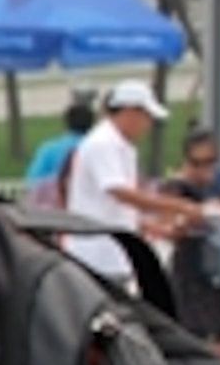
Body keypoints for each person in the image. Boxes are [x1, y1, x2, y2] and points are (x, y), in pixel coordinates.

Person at [64, 79, 185, 286]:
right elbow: (119, 192)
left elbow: (114, 207)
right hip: (97, 255)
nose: (147, 125)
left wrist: (150, 226)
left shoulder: (121, 147)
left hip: (114, 254)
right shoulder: (103, 143)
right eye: (146, 117)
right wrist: (178, 206)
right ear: (130, 112)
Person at [155, 125, 220, 361]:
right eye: (197, 163)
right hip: (192, 271)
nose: (205, 170)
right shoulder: (176, 187)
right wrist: (185, 222)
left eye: (210, 162)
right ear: (186, 160)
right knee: (195, 338)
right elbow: (165, 225)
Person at [21, 97, 93, 208]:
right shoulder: (97, 149)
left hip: (56, 210)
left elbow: (32, 181)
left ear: (65, 123)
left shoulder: (48, 149)